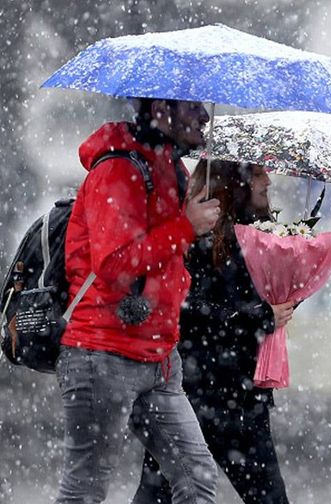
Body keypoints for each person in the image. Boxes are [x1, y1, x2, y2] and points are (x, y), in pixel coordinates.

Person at [56, 98, 221, 504]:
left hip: (159, 358)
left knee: (197, 480)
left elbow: (169, 256)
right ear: (161, 108)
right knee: (84, 490)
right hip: (102, 352)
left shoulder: (171, 168)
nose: (204, 116)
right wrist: (186, 226)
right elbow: (115, 263)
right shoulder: (118, 169)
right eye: (192, 106)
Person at [132, 160, 295, 504]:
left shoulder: (262, 237)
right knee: (159, 493)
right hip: (193, 392)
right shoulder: (195, 236)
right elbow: (186, 310)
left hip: (242, 396)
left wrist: (287, 297)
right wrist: (258, 317)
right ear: (235, 181)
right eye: (258, 173)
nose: (267, 181)